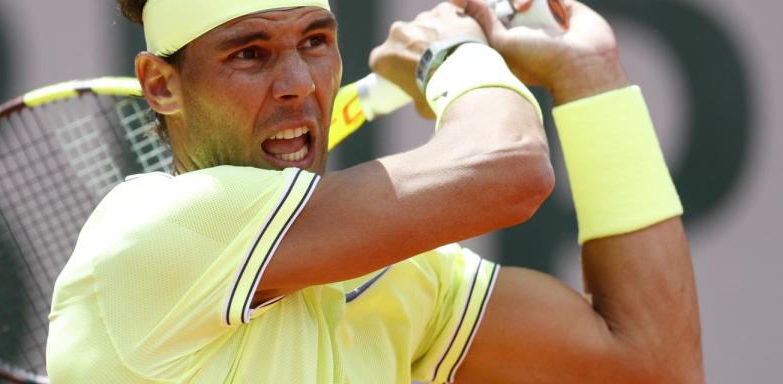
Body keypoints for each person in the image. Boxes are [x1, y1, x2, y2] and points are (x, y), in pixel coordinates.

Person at [46, 0, 703, 382]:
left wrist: (591, 77)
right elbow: (510, 168)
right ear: (161, 85)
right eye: (250, 53)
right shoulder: (153, 230)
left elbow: (649, 365)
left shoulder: (401, 279)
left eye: (315, 42)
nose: (299, 84)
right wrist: (451, 56)